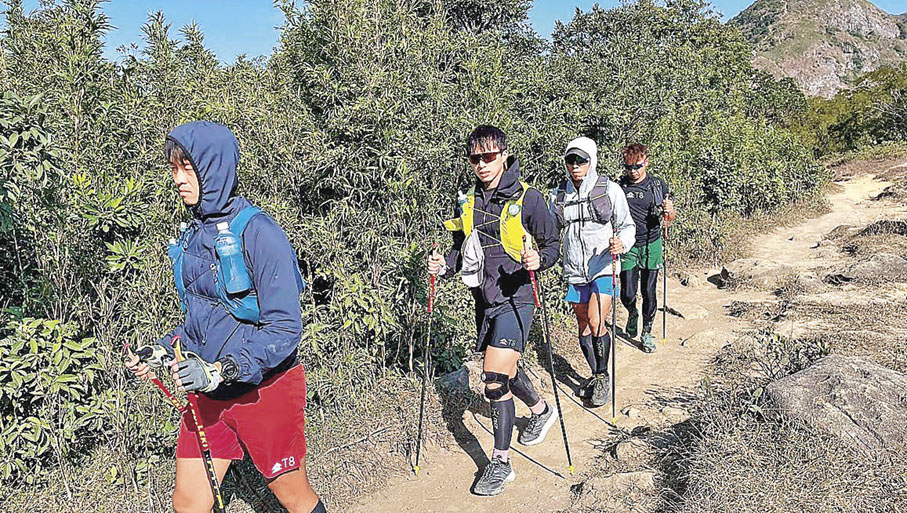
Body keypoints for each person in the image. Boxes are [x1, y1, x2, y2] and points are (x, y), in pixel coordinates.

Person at [125, 121, 325, 513]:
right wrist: (162, 350)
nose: (179, 180)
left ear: (213, 167)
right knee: (188, 503)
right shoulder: (195, 234)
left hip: (265, 392)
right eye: (173, 169)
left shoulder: (261, 233)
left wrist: (222, 369)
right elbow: (202, 321)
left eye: (188, 168)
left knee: (293, 497)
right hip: (209, 395)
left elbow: (285, 328)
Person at [428, 125, 560, 496]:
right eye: (476, 158)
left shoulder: (528, 198)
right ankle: (540, 409)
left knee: (493, 380)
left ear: (504, 155)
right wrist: (444, 265)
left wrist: (540, 259)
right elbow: (460, 249)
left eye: (489, 156)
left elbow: (552, 244)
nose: (483, 164)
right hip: (484, 300)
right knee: (508, 369)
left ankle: (500, 463)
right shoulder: (467, 200)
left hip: (518, 299)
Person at [549, 137, 635, 407]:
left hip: (603, 267)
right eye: (570, 160)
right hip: (575, 270)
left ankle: (601, 376)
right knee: (584, 325)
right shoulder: (558, 195)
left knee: (598, 322)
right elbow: (548, 230)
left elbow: (627, 225)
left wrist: (622, 243)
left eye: (581, 160)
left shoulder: (609, 190)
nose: (575, 165)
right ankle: (595, 373)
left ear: (592, 161)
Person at [618, 143, 676, 353]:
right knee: (627, 293)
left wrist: (669, 210)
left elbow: (669, 217)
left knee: (649, 291)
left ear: (646, 162)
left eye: (638, 167)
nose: (633, 172)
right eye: (629, 167)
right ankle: (632, 312)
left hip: (652, 243)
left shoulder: (657, 185)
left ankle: (646, 333)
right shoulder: (620, 186)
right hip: (629, 245)